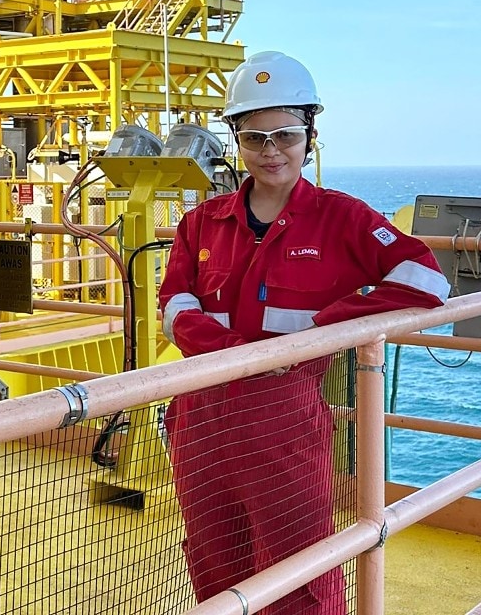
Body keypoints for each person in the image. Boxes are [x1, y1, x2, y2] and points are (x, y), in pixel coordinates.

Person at [157, 50, 450, 613]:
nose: (271, 151)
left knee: (301, 569)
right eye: (254, 137)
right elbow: (175, 301)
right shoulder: (201, 222)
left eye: (285, 135)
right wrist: (236, 352)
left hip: (282, 416)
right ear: (236, 142)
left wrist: (324, 328)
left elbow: (426, 282)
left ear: (309, 137)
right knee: (216, 565)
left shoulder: (343, 218)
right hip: (200, 416)